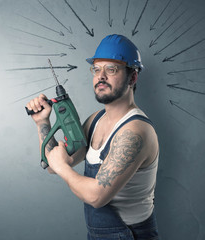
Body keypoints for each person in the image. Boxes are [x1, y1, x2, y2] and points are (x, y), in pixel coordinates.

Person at [26, 34, 159, 239]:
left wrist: (62, 167)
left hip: (131, 235)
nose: (101, 76)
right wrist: (42, 122)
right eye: (96, 69)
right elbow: (53, 164)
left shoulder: (135, 131)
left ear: (133, 77)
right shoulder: (95, 121)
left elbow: (96, 196)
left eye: (111, 69)